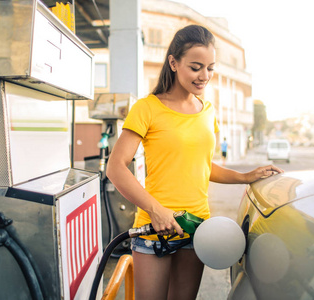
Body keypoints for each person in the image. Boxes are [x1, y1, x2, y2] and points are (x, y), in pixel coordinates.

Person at [106, 24, 283, 300]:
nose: (204, 76)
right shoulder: (147, 108)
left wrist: (246, 176)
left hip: (197, 227)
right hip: (155, 229)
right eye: (196, 67)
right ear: (174, 63)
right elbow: (115, 167)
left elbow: (203, 166)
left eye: (210, 68)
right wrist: (156, 210)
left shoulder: (207, 111)